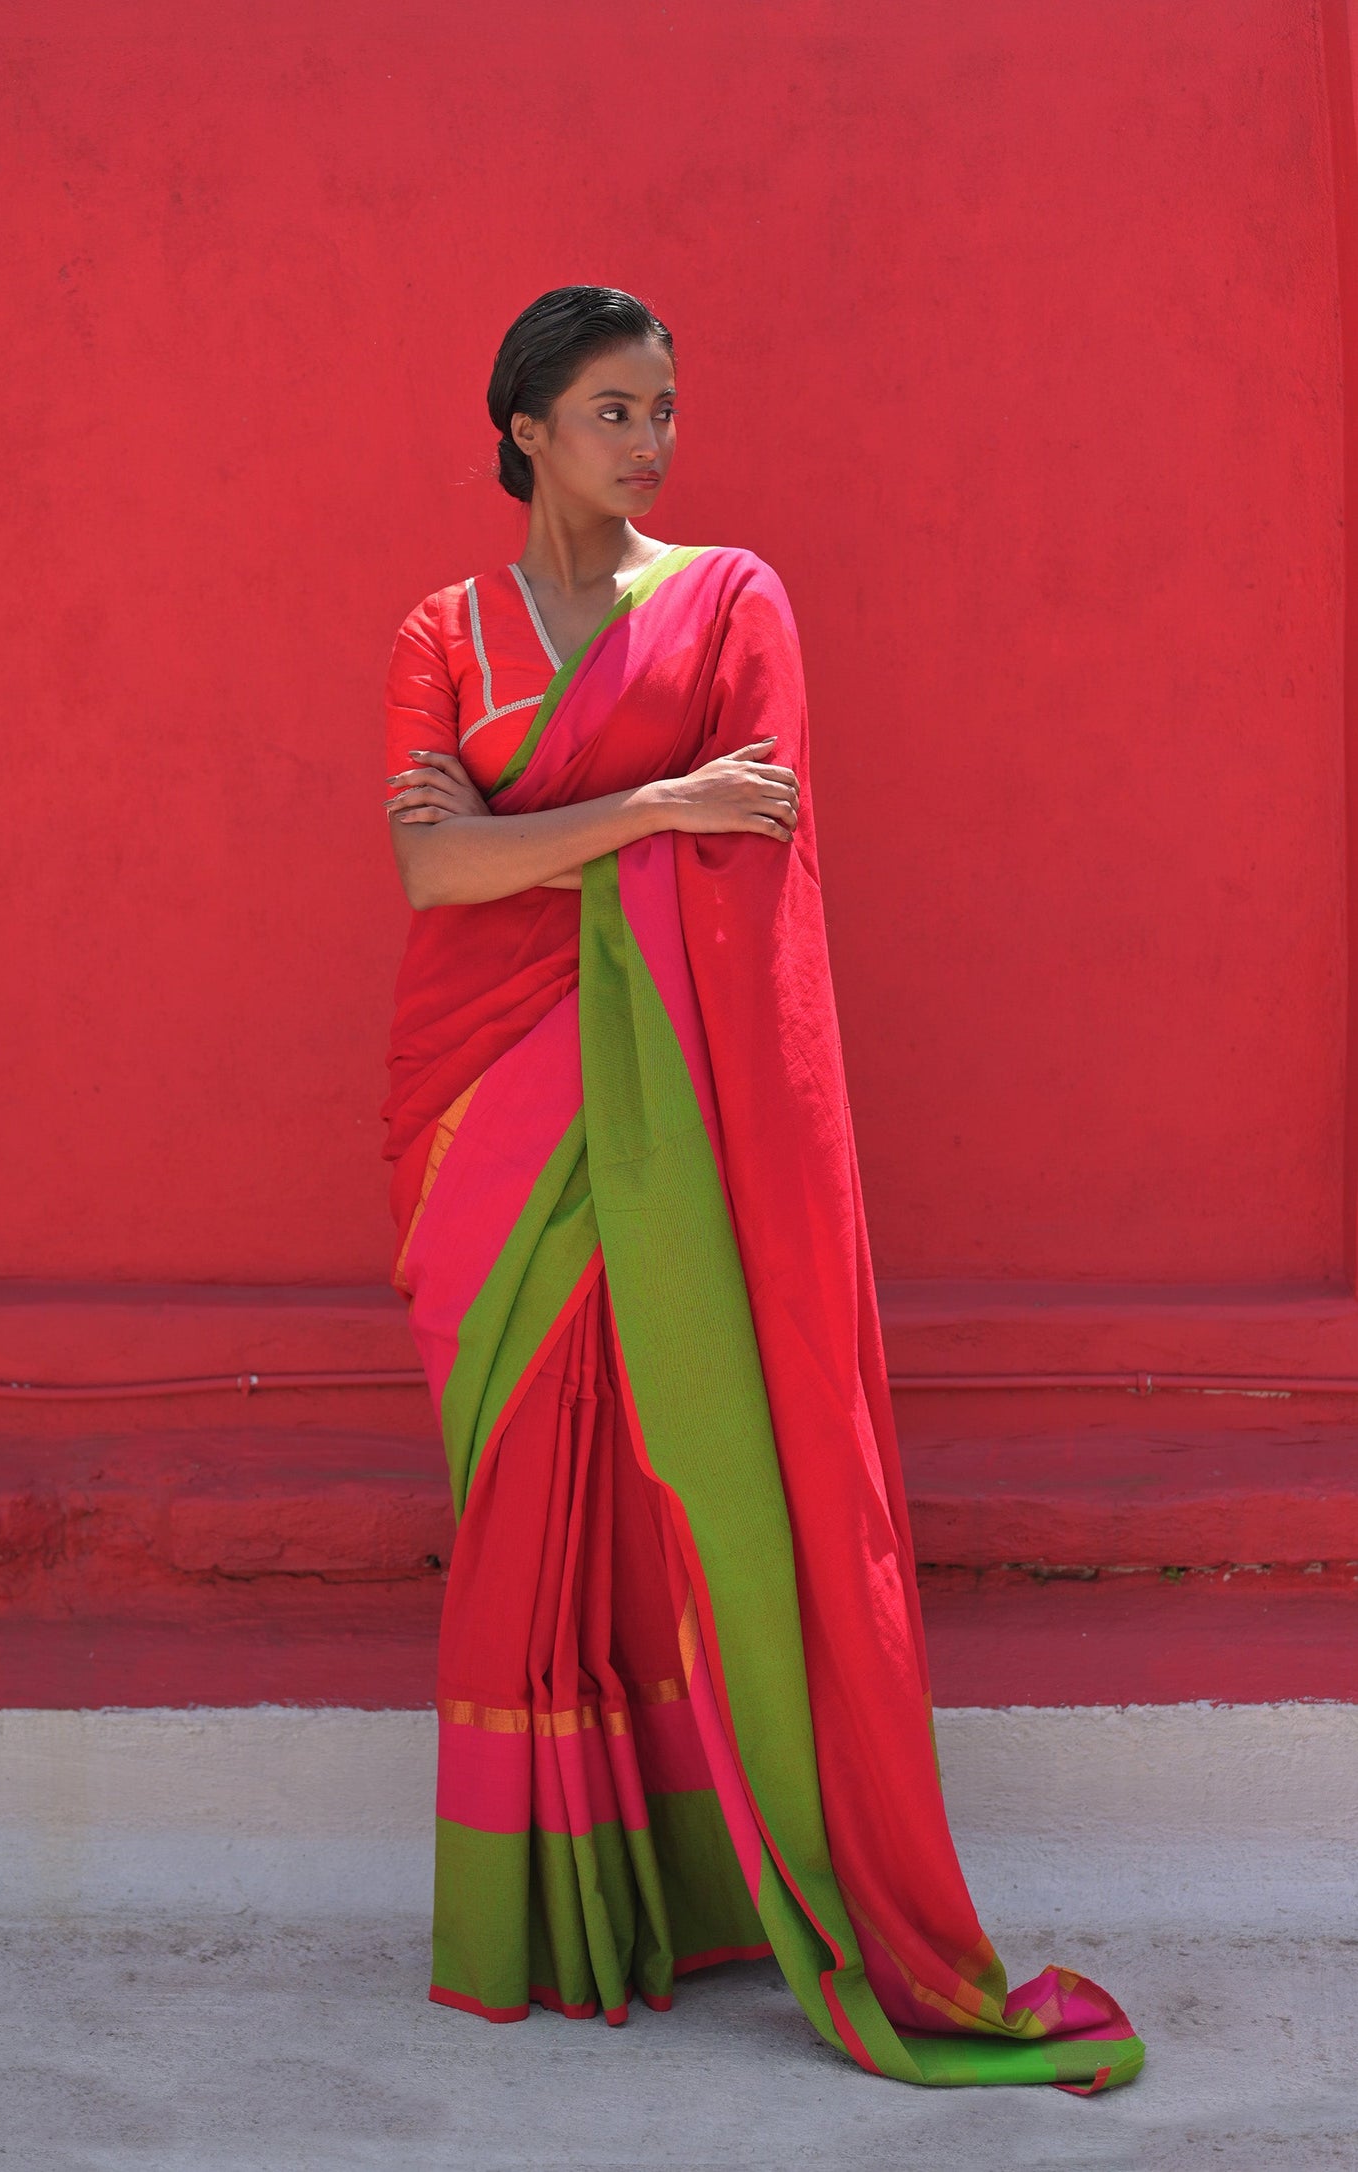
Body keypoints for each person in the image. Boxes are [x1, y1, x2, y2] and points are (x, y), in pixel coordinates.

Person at [380, 285, 1142, 2092]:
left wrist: (537, 846)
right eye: (610, 408)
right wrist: (647, 811)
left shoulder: (726, 600)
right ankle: (549, 1917)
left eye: (660, 408)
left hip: (675, 1117)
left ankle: (740, 1883)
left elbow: (756, 847)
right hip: (477, 1115)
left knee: (698, 1472)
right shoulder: (444, 630)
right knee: (523, 1501)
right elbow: (428, 876)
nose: (649, 439)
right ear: (523, 429)